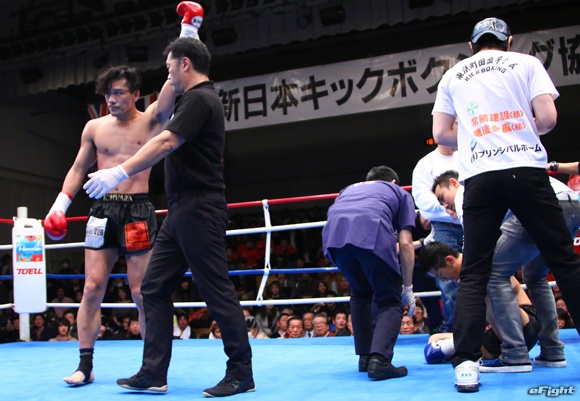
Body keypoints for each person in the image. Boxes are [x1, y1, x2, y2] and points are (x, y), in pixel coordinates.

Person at [83, 33, 254, 396]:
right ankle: (153, 372)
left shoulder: (200, 99)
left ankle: (241, 372)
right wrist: (188, 30)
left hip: (200, 207)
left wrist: (119, 171)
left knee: (216, 289)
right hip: (180, 210)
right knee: (153, 287)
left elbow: (165, 141)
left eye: (169, 67)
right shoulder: (192, 99)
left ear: (184, 64)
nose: (168, 74)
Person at [43, 2, 204, 387]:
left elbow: (173, 85)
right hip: (101, 212)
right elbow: (78, 168)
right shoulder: (94, 128)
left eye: (117, 93)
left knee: (142, 291)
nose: (111, 99)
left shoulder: (151, 121)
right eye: (107, 94)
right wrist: (59, 206)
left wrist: (189, 31)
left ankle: (152, 368)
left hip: (137, 211)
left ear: (134, 94)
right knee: (92, 288)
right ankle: (85, 365)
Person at [431, 16, 580, 392]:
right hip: (527, 171)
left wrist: (480, 132)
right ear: (509, 41)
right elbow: (548, 119)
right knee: (564, 262)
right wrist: (518, 128)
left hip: (480, 177)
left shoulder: (454, 74)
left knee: (474, 273)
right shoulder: (526, 63)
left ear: (471, 45)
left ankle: (466, 364)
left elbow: (441, 134)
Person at [433, 170, 578, 370]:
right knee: (535, 276)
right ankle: (552, 351)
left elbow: (475, 243)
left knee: (492, 273)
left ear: (453, 183)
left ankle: (514, 354)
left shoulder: (464, 191)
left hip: (542, 206)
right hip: (571, 204)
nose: (444, 205)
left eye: (442, 197)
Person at [322, 165, 416, 381]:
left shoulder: (348, 189)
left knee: (361, 292)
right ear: (394, 182)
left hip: (334, 240)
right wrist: (407, 286)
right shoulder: (399, 192)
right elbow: (405, 243)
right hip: (370, 234)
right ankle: (380, 361)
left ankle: (365, 358)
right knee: (390, 300)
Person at [420, 242, 540, 368]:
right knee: (433, 344)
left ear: (449, 260)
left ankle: (511, 352)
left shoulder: (480, 264)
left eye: (440, 275)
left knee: (488, 290)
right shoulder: (465, 277)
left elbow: (507, 293)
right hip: (495, 332)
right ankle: (470, 348)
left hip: (522, 325)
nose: (443, 280)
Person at [412, 143, 463, 333]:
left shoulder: (468, 154)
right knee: (447, 279)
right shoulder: (426, 163)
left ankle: (486, 326)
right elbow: (421, 199)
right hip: (444, 226)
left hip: (473, 219)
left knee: (486, 274)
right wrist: (448, 206)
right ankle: (454, 328)